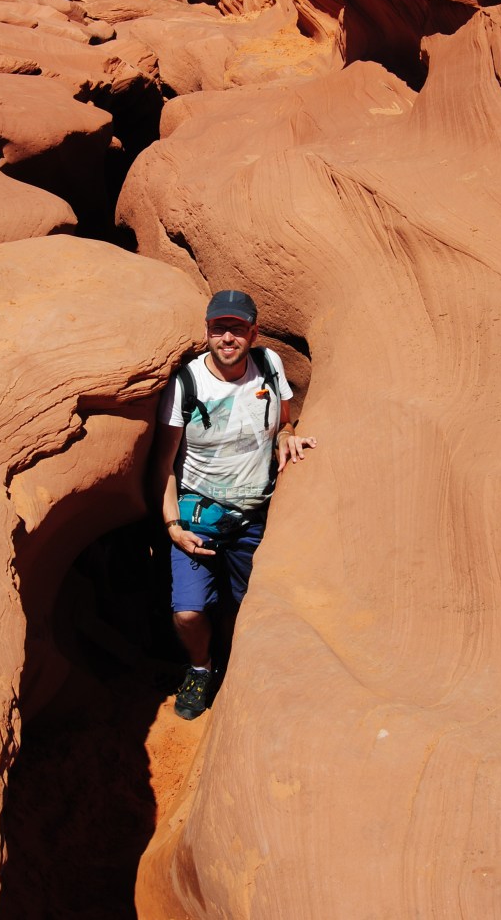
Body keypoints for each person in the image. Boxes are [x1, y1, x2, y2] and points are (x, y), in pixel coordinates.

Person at [153, 289, 316, 719]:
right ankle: (201, 668)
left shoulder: (268, 366)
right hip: (198, 516)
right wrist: (172, 525)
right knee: (188, 613)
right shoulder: (187, 384)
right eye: (219, 328)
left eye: (237, 329)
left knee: (251, 605)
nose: (228, 337)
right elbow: (163, 463)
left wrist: (285, 435)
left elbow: (285, 420)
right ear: (207, 332)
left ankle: (241, 671)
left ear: (253, 333)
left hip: (254, 516)